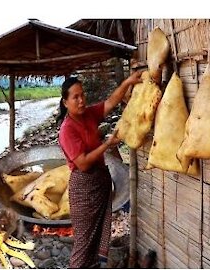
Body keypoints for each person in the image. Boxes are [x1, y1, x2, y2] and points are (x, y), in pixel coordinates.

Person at [56, 71, 142, 268]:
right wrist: (107, 143)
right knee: (84, 242)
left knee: (97, 239)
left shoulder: (88, 115)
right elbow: (83, 163)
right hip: (84, 188)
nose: (80, 100)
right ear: (65, 102)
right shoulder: (67, 130)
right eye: (75, 97)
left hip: (100, 182)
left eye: (82, 95)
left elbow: (111, 102)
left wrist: (128, 81)